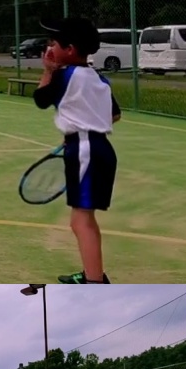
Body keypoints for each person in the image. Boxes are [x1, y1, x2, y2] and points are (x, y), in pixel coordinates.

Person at [33, 17, 122, 284]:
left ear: (69, 49)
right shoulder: (99, 79)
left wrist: (48, 69)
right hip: (101, 148)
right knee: (84, 219)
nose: (50, 47)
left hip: (85, 149)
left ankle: (95, 281)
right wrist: (80, 127)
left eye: (55, 43)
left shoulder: (63, 75)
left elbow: (40, 100)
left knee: (80, 221)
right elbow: (115, 115)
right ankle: (92, 274)